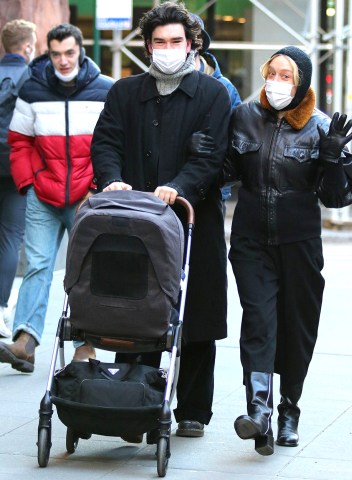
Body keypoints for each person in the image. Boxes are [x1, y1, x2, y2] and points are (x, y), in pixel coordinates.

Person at [90, 2, 231, 439]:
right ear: (148, 47)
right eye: (159, 42)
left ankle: (193, 409)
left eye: (176, 42)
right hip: (133, 223)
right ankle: (135, 401)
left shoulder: (211, 94)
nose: (168, 49)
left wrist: (178, 185)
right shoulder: (125, 93)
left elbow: (209, 156)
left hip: (191, 221)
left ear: (191, 46)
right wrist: (111, 180)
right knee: (134, 309)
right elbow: (106, 142)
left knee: (196, 313)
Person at [226, 46, 352, 456]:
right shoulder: (244, 116)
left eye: (287, 76)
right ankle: (259, 409)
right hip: (251, 240)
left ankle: (289, 409)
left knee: (297, 329)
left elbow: (339, 198)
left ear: (301, 82)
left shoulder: (322, 127)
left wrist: (334, 158)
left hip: (300, 244)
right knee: (258, 321)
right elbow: (227, 173)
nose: (278, 82)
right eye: (273, 73)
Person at [0, 23, 114, 373]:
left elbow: (111, 143)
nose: (63, 61)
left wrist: (96, 187)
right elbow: (19, 140)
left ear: (80, 50)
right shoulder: (33, 89)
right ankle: (25, 341)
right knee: (37, 265)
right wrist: (29, 183)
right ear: (46, 53)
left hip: (86, 195)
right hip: (43, 194)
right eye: (56, 54)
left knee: (85, 271)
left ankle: (86, 346)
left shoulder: (105, 89)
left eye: (69, 52)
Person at [0, 19, 37, 338]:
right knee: (11, 236)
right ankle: (0, 311)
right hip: (14, 167)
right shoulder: (30, 77)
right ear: (27, 46)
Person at [191, 13, 241, 216]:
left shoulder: (224, 88)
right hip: (164, 190)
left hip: (212, 191)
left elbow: (238, 143)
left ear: (198, 42)